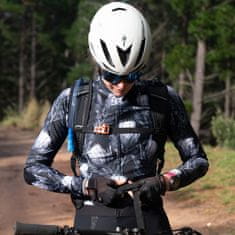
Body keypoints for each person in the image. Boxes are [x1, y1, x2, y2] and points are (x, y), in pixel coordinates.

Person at [24, 2, 209, 235]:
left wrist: (165, 181)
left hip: (149, 219)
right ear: (99, 64)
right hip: (92, 221)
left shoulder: (163, 99)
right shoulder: (74, 100)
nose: (121, 85)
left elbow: (198, 161)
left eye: (131, 76)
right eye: (112, 76)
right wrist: (85, 185)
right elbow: (33, 169)